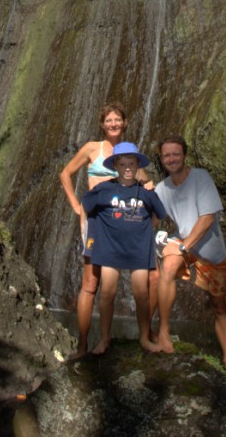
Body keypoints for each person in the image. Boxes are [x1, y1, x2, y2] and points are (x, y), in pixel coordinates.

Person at [59, 103, 151, 358]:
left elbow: (147, 183)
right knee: (90, 283)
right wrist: (77, 206)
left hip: (122, 223)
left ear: (124, 123)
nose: (113, 124)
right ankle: (82, 343)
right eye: (109, 120)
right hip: (95, 223)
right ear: (102, 124)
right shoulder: (91, 148)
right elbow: (65, 174)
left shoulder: (128, 152)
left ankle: (107, 339)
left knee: (115, 285)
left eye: (117, 120)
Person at [153, 135, 226, 379]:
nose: (171, 159)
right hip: (185, 245)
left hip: (209, 252)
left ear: (184, 156)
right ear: (161, 160)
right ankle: (163, 332)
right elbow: (152, 219)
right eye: (166, 155)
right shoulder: (162, 189)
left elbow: (207, 219)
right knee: (168, 267)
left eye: (175, 154)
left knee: (219, 306)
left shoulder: (201, 178)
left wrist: (184, 247)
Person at [81, 142, 166, 354]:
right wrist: (90, 235)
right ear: (115, 166)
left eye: (131, 163)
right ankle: (104, 338)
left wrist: (144, 230)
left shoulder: (146, 192)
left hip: (138, 249)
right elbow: (86, 206)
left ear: (138, 165)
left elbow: (159, 215)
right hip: (110, 249)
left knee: (142, 293)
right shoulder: (104, 189)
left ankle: (144, 338)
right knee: (107, 292)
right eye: (122, 164)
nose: (127, 167)